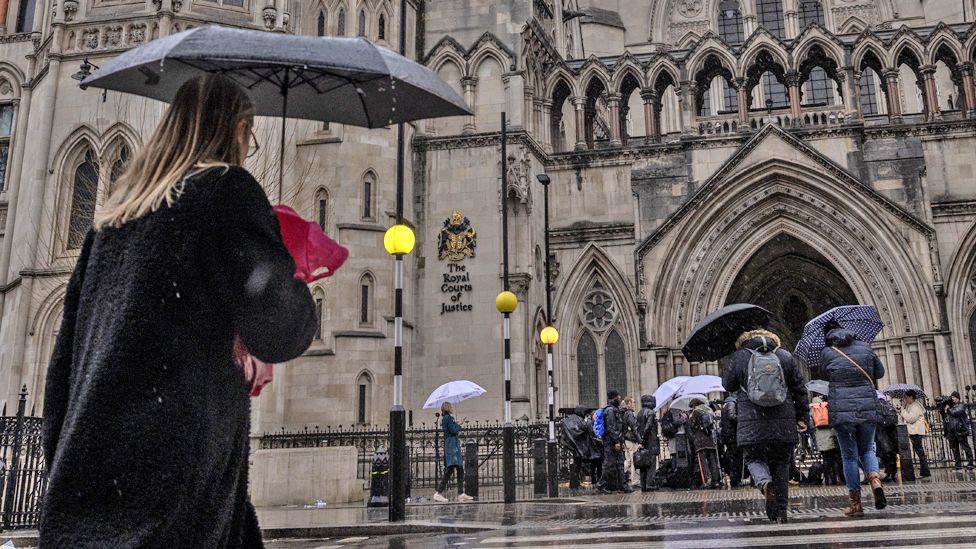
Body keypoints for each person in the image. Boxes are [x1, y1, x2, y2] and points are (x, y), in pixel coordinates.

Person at [39, 74, 317, 547]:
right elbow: (282, 329)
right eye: (250, 136)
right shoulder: (224, 191)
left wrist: (66, 474)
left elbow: (62, 371)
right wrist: (282, 261)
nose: (249, 150)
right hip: (176, 494)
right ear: (236, 130)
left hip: (87, 491)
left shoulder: (110, 224)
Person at [722, 329, 808, 524]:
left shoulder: (739, 357)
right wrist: (802, 417)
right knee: (782, 465)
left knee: (754, 459)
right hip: (783, 422)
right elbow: (799, 389)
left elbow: (727, 384)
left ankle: (765, 484)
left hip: (752, 422)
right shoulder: (784, 356)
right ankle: (782, 511)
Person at [814, 322, 887, 517]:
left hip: (843, 411)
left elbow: (823, 375)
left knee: (849, 456)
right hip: (867, 408)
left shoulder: (827, 352)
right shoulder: (865, 346)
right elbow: (879, 373)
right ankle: (875, 479)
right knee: (867, 448)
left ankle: (856, 503)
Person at [433, 402, 474, 502]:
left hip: (452, 444)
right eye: (450, 406)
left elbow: (452, 428)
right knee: (451, 469)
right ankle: (438, 493)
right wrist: (459, 425)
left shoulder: (448, 418)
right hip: (451, 445)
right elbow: (453, 430)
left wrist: (457, 423)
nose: (452, 408)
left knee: (459, 469)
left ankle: (460, 493)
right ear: (447, 408)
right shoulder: (447, 418)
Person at [598, 390, 632, 493]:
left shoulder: (614, 410)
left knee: (619, 464)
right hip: (611, 442)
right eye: (618, 397)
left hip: (615, 441)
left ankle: (622, 486)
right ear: (614, 398)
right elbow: (612, 427)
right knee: (609, 465)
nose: (620, 399)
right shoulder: (610, 411)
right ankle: (601, 486)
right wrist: (616, 441)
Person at [560, 405, 599, 493]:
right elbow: (587, 429)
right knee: (577, 466)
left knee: (576, 465)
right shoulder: (579, 420)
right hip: (578, 446)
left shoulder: (570, 419)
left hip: (572, 446)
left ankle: (575, 483)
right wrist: (588, 421)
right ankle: (574, 484)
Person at [688, 399, 722, 489]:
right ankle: (716, 481)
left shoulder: (696, 412)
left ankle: (707, 481)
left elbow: (692, 425)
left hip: (700, 441)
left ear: (694, 405)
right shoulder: (709, 411)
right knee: (712, 461)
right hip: (711, 440)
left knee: (703, 462)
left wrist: (690, 417)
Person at [810, 395, 843, 486]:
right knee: (835, 458)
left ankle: (828, 480)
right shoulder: (829, 405)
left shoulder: (814, 407)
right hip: (831, 435)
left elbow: (811, 423)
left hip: (821, 438)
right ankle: (836, 479)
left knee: (826, 459)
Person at [899, 390, 931, 477]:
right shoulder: (910, 405)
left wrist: (903, 411)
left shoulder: (915, 406)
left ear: (911, 397)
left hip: (916, 432)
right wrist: (903, 409)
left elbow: (911, 419)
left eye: (906, 397)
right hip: (913, 431)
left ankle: (925, 471)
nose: (905, 399)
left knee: (920, 452)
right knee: (919, 451)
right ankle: (924, 471)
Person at [940, 391, 975, 470]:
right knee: (955, 449)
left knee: (966, 448)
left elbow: (955, 413)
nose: (953, 399)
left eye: (954, 397)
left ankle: (970, 463)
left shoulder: (961, 406)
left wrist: (948, 409)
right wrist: (943, 407)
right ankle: (958, 464)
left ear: (958, 398)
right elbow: (944, 417)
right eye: (952, 398)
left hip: (960, 430)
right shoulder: (950, 407)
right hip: (951, 432)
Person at [636, 395, 660, 491]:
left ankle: (644, 485)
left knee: (643, 464)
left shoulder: (640, 413)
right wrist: (643, 440)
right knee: (651, 464)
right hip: (650, 441)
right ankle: (650, 484)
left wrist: (640, 440)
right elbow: (648, 427)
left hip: (643, 441)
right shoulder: (651, 413)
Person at [875, 396, 900, 481]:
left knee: (885, 454)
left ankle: (888, 473)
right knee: (892, 454)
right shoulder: (889, 406)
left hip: (882, 435)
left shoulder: (877, 407)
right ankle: (893, 472)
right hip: (892, 435)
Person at [720, 395, 743, 487]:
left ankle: (735, 477)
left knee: (733, 456)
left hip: (728, 435)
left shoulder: (726, 405)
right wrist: (742, 419)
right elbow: (732, 416)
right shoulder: (731, 404)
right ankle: (735, 479)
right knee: (735, 456)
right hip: (732, 435)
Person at [621, 396, 642, 487]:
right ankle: (635, 481)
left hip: (626, 439)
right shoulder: (629, 414)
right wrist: (639, 440)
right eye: (633, 402)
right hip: (631, 440)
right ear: (628, 403)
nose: (634, 404)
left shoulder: (624, 413)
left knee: (628, 460)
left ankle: (621, 476)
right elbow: (634, 428)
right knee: (634, 461)